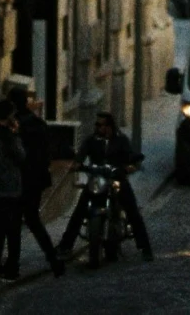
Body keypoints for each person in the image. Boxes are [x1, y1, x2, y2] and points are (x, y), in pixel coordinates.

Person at [0, 96, 64, 280]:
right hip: (18, 187)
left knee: (4, 227)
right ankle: (45, 262)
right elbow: (23, 156)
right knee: (23, 225)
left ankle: (3, 266)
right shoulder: (20, 131)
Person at [58, 111, 154, 264]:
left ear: (109, 126)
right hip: (97, 180)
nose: (97, 127)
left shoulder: (121, 140)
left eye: (100, 124)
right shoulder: (91, 140)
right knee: (80, 209)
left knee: (133, 211)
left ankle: (145, 247)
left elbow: (129, 155)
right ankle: (65, 246)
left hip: (116, 179)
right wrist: (76, 164)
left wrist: (130, 165)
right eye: (96, 124)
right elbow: (81, 155)